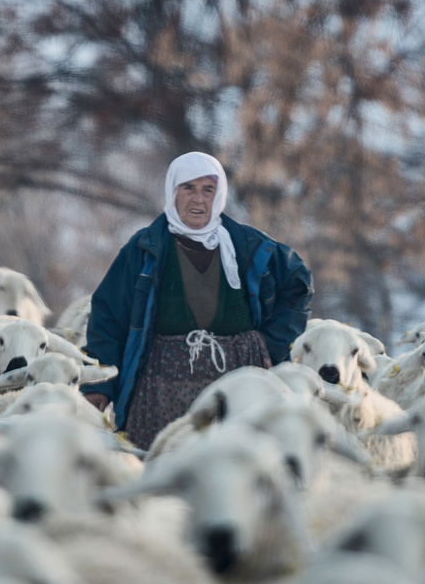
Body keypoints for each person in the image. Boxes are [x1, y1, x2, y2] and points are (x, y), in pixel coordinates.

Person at [81, 152, 313, 450]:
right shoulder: (144, 249)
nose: (198, 199)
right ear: (172, 191)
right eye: (187, 188)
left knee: (240, 463)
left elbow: (299, 286)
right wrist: (100, 384)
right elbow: (108, 316)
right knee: (164, 463)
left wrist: (269, 344)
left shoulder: (249, 245)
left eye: (208, 189)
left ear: (219, 195)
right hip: (162, 385)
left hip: (239, 379)